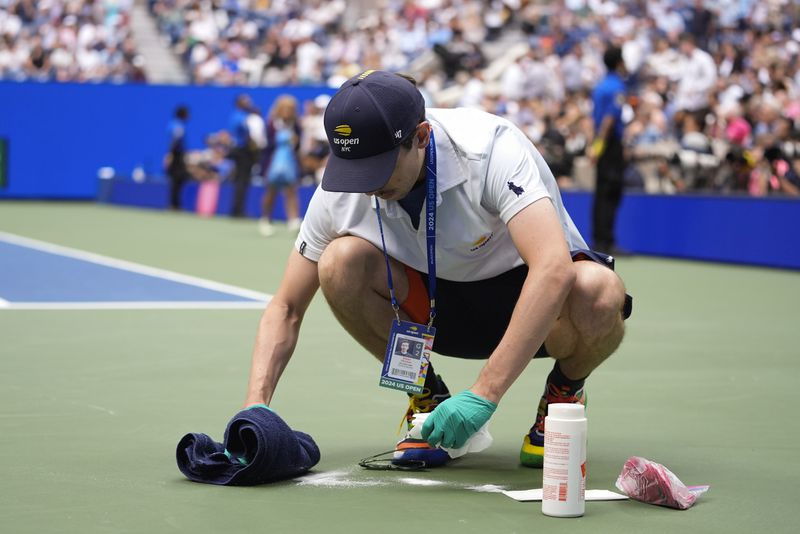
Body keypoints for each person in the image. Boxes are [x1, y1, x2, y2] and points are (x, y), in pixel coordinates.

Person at [242, 70, 632, 469]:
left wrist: (484, 393)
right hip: (428, 314)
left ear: (422, 137)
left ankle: (563, 393)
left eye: (379, 167)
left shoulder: (491, 149)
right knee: (339, 263)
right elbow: (286, 307)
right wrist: (255, 409)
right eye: (356, 169)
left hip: (533, 308)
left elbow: (552, 269)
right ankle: (426, 396)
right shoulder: (344, 186)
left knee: (599, 290)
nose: (368, 186)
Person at [590, 45, 628, 255]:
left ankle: (598, 240)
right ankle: (607, 242)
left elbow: (594, 118)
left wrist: (593, 145)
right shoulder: (617, 87)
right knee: (611, 193)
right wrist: (600, 146)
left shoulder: (600, 86)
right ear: (620, 62)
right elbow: (609, 119)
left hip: (600, 143)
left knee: (600, 193)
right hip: (610, 145)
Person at [258, 95, 303, 237]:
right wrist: (282, 140)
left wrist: (294, 142)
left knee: (291, 191)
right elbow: (265, 145)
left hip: (290, 164)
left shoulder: (296, 125)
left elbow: (298, 147)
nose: (288, 111)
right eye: (285, 108)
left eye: (291, 109)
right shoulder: (270, 124)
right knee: (271, 192)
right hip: (272, 164)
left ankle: (293, 220)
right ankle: (265, 219)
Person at [229, 94, 258, 217]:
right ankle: (238, 210)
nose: (248, 102)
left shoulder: (235, 116)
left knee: (240, 180)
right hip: (243, 151)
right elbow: (246, 135)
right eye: (245, 101)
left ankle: (237, 208)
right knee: (242, 180)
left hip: (238, 150)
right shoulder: (241, 117)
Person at [165, 105, 190, 210]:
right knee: (177, 179)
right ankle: (174, 204)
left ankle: (175, 204)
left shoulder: (172, 124)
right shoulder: (178, 126)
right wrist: (170, 154)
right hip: (177, 155)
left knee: (178, 179)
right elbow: (175, 141)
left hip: (176, 154)